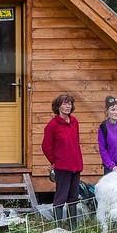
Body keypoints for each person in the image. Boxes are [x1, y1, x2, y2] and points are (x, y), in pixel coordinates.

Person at [42, 93, 84, 225]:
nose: (68, 106)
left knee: (73, 197)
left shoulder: (74, 121)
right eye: (65, 104)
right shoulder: (52, 125)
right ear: (58, 106)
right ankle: (58, 227)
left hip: (76, 166)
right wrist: (55, 161)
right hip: (62, 167)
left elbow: (75, 142)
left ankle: (73, 227)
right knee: (61, 197)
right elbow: (46, 146)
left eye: (69, 104)